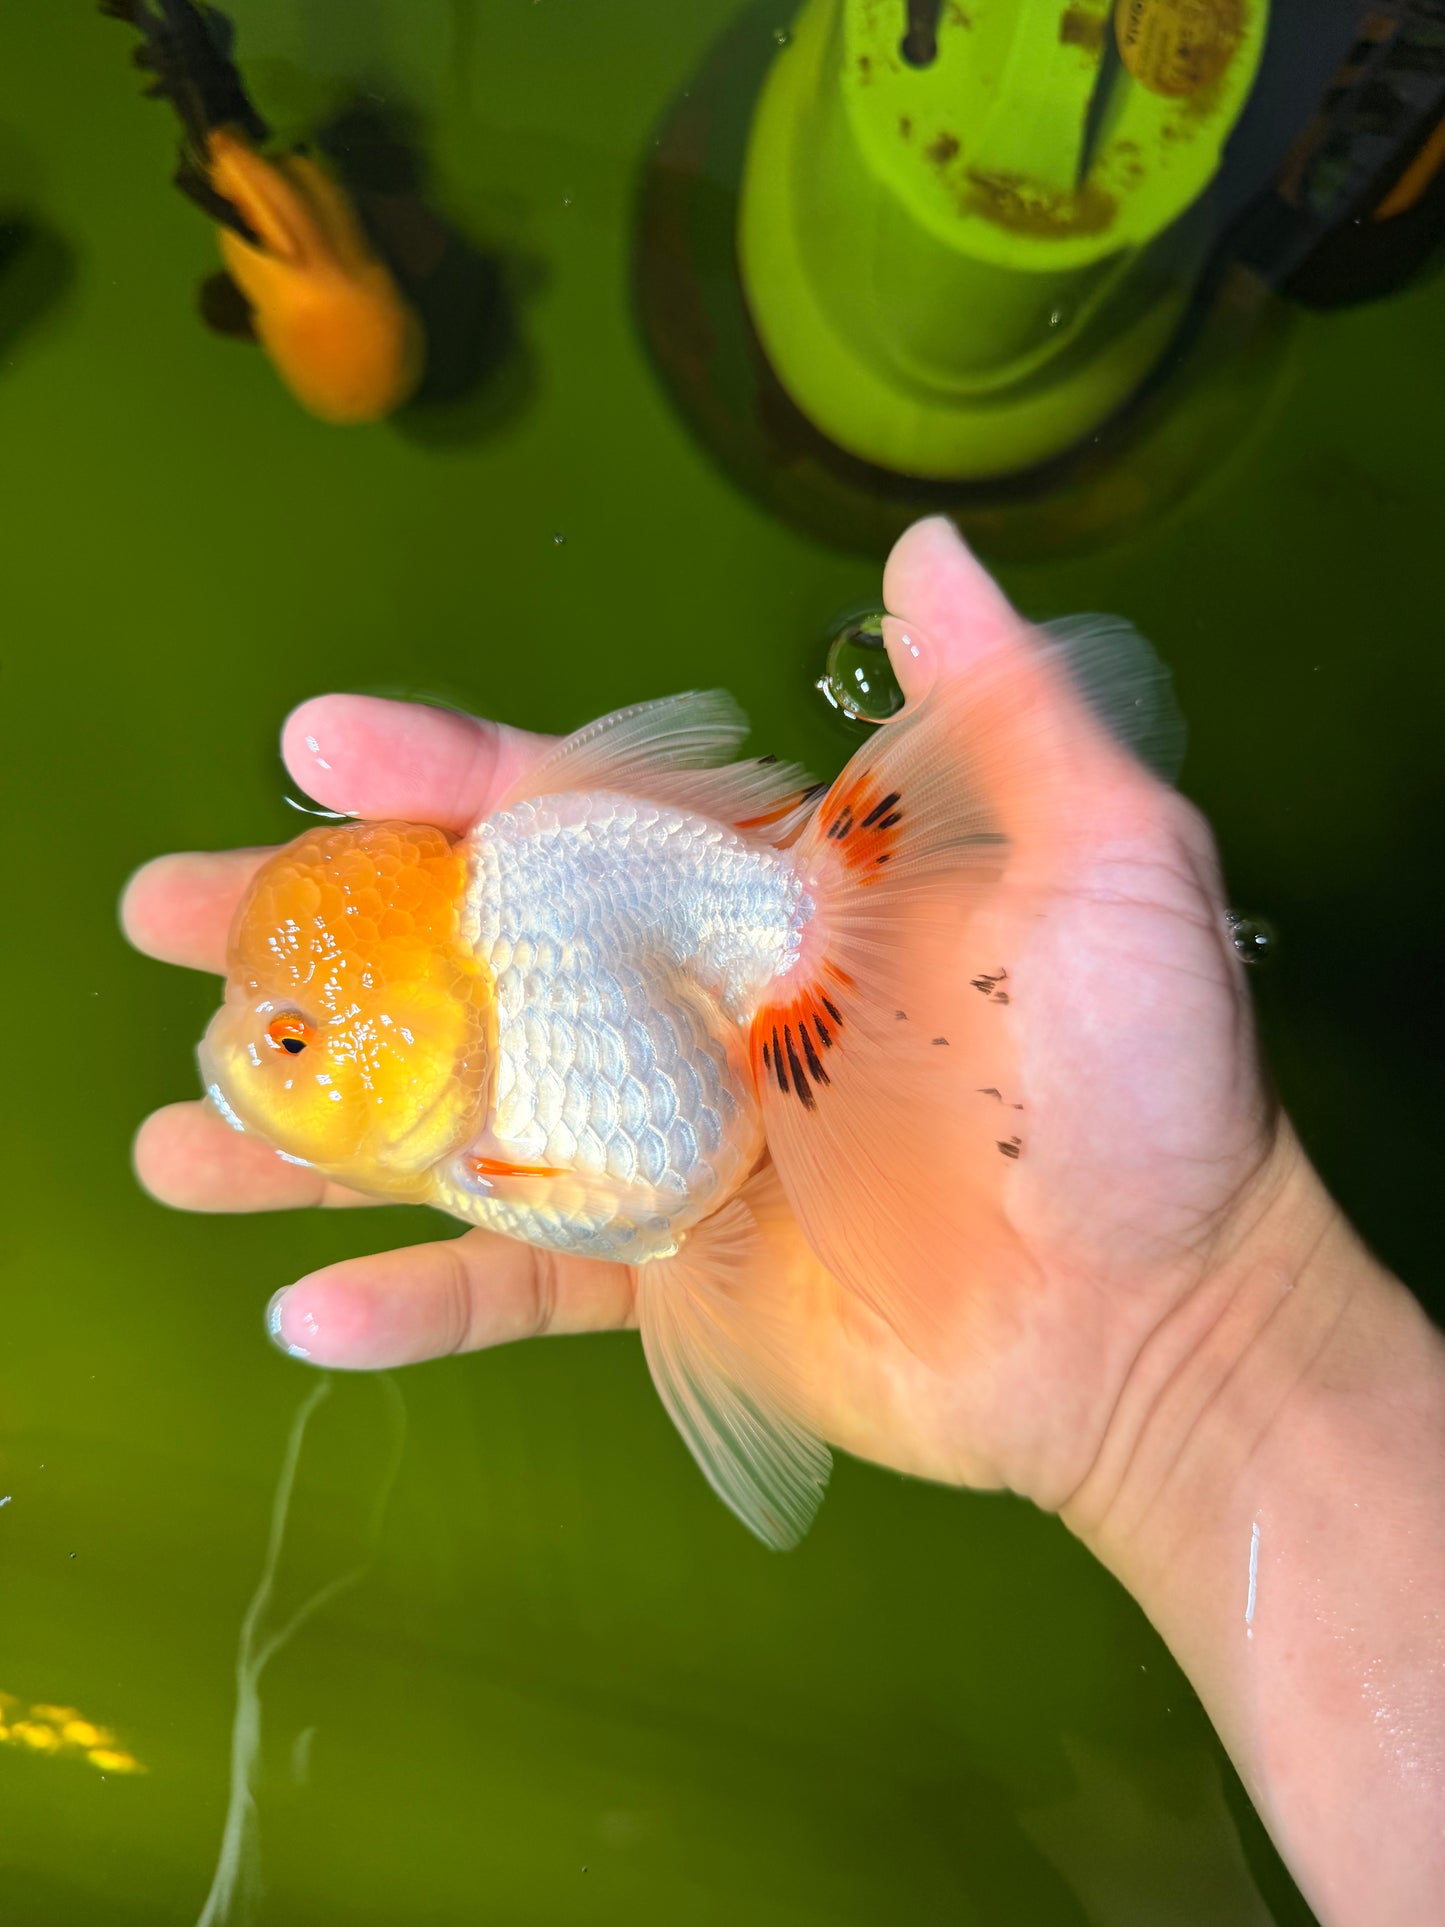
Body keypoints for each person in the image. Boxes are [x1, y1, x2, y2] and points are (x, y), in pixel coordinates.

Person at [121, 517, 1445, 1925]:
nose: (245, 1061)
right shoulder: (472, 1068)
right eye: (278, 1037)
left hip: (726, 980)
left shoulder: (521, 1016)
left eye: (288, 1042)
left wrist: (1180, 1349)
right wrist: (1187, 1375)